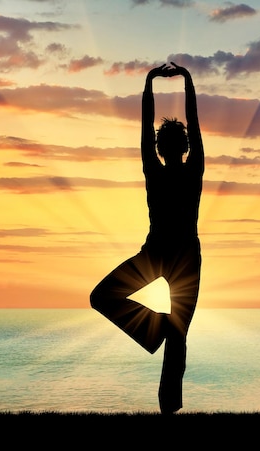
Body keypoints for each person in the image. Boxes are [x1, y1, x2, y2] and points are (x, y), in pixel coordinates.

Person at [90, 62, 204, 414]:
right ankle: (160, 332)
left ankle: (168, 398)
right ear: (182, 146)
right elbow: (193, 125)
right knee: (174, 332)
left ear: (164, 147)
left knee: (104, 298)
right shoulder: (190, 166)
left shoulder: (159, 167)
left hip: (169, 255)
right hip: (170, 255)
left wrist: (150, 83)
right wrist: (186, 82)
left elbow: (145, 131)